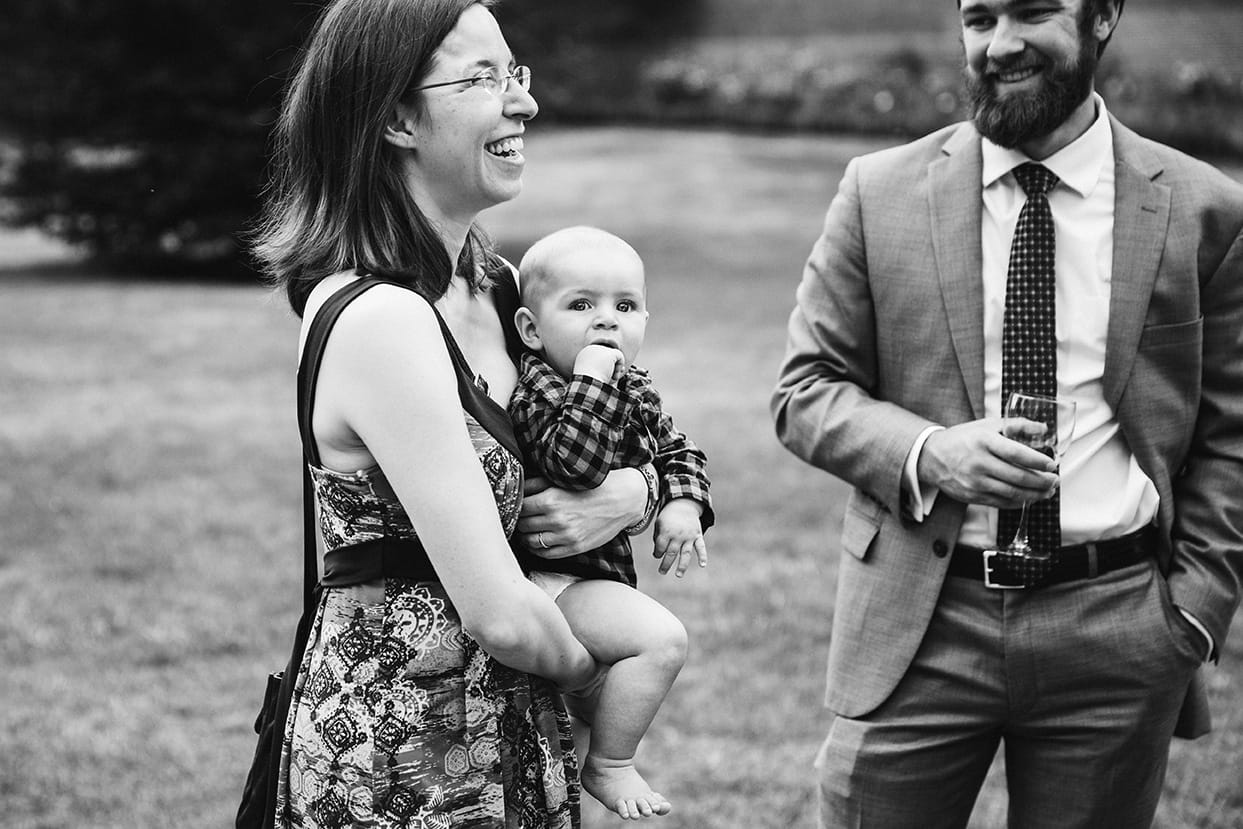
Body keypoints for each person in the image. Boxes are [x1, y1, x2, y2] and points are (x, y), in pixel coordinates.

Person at [771, 0, 1243, 826]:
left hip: (1117, 623)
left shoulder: (1204, 209)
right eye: (978, 17)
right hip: (919, 618)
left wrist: (1191, 614)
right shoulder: (876, 192)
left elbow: (1230, 432)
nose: (1001, 44)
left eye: (1031, 12)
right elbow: (804, 388)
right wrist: (930, 450)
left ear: (1102, 18)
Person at [248, 1, 655, 826]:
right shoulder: (380, 318)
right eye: (482, 78)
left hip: (507, 734)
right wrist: (593, 677)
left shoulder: (496, 286)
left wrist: (637, 490)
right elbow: (500, 614)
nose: (523, 102)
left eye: (515, 72)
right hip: (407, 765)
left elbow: (616, 422)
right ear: (396, 118)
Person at [506, 226, 713, 820]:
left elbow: (679, 450)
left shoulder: (634, 387)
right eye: (581, 305)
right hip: (547, 578)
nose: (607, 322)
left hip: (589, 577)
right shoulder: (541, 389)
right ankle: (611, 763)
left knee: (606, 687)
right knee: (661, 641)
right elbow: (574, 465)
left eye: (625, 307)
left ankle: (586, 746)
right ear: (530, 329)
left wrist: (680, 503)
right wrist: (594, 382)